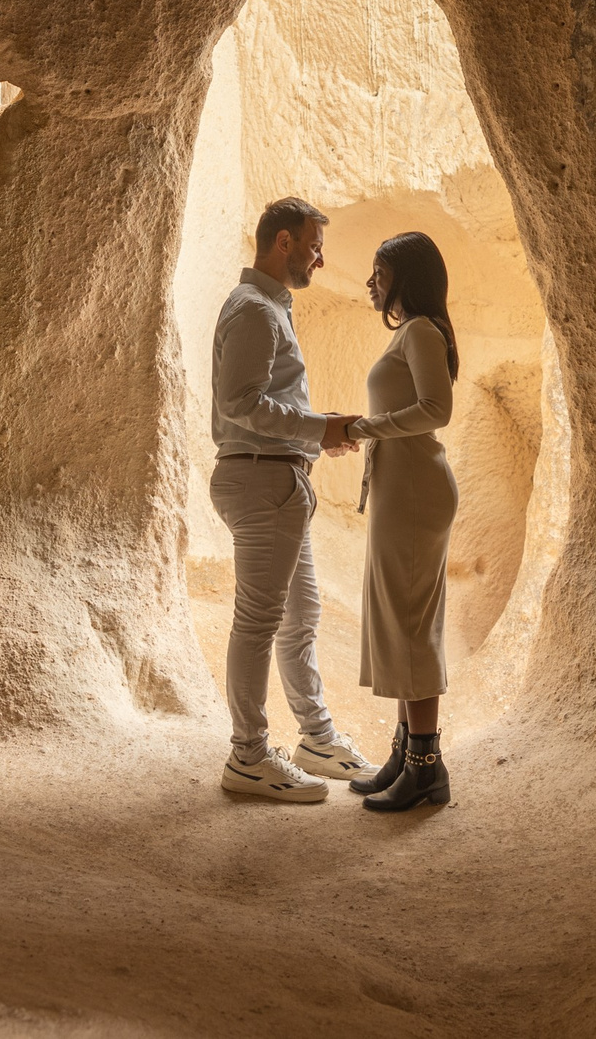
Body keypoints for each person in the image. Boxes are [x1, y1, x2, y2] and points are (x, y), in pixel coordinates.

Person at [209, 196, 381, 802]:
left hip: (278, 478)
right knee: (259, 621)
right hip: (261, 481)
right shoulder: (255, 310)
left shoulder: (266, 308)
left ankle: (314, 738)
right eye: (312, 245)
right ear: (282, 242)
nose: (320, 257)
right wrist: (319, 429)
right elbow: (239, 404)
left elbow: (260, 403)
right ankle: (248, 758)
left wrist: (317, 434)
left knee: (300, 617)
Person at [338, 231, 460, 812]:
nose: (371, 283)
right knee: (398, 621)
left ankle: (425, 768)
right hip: (401, 487)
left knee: (409, 627)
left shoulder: (419, 332)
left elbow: (437, 410)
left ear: (405, 279)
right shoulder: (416, 332)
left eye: (380, 273)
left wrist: (363, 428)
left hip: (413, 490)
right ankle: (404, 754)